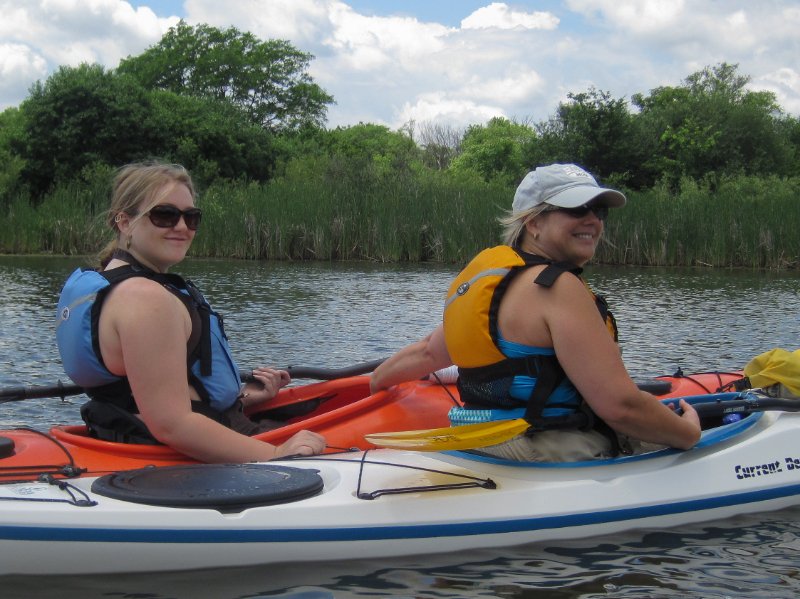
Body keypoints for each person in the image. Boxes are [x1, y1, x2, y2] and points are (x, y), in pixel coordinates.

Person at [370, 163, 700, 462]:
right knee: (692, 440)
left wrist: (376, 381)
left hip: (476, 440)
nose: (593, 220)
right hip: (536, 447)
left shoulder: (492, 286)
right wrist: (689, 433)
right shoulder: (559, 289)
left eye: (599, 211)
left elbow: (429, 352)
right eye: (576, 208)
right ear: (533, 222)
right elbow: (620, 407)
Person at [55, 161, 325, 462]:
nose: (182, 227)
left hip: (146, 431)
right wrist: (277, 453)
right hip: (182, 454)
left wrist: (241, 398)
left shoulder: (111, 282)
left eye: (191, 217)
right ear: (125, 222)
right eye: (164, 215)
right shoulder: (146, 300)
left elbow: (147, 393)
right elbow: (172, 424)